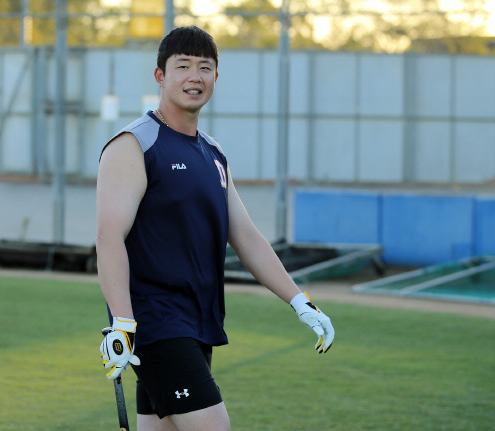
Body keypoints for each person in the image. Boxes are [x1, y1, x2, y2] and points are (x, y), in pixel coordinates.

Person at [96, 26, 335, 431]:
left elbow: (245, 236)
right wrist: (122, 323)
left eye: (205, 67)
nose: (195, 77)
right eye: (183, 66)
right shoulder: (135, 144)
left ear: (215, 78)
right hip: (154, 322)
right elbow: (109, 237)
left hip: (198, 321)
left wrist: (300, 302)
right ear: (160, 76)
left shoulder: (213, 152)